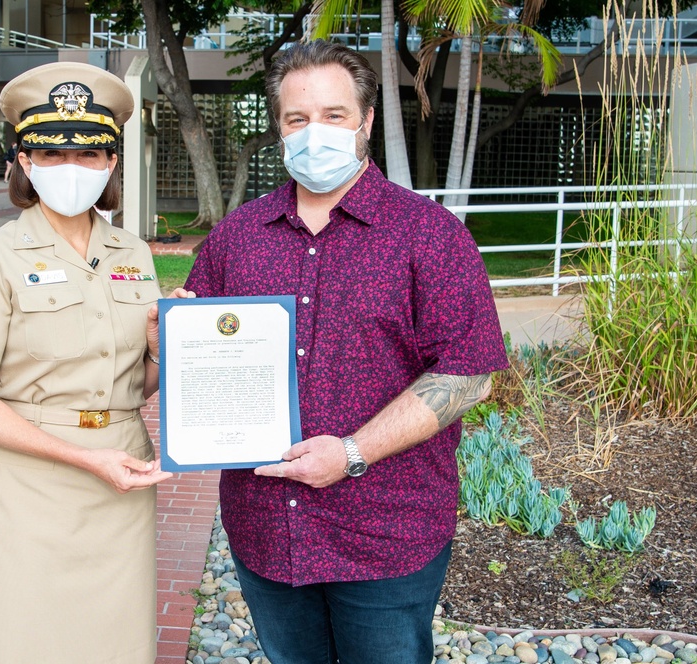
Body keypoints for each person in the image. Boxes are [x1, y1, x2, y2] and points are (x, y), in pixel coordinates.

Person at [184, 40, 511, 664]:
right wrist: (165, 341)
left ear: (364, 121)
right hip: (266, 528)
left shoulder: (430, 235)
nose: (315, 133)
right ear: (279, 128)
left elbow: (468, 376)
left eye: (334, 116)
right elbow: (193, 357)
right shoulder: (237, 238)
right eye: (297, 119)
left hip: (387, 532)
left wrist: (353, 453)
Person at [0, 61, 180, 664]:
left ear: (112, 162)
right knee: (17, 640)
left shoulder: (133, 253)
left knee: (113, 644)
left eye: (90, 153)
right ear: (23, 162)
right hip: (27, 486)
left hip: (122, 479)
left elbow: (133, 386)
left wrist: (163, 347)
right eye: (50, 153)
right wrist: (83, 458)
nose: (71, 167)